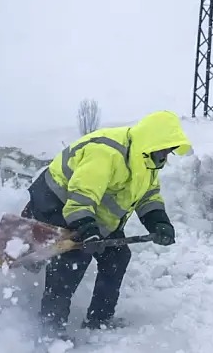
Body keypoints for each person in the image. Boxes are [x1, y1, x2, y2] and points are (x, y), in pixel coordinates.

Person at [21, 110, 192, 337]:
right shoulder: (106, 152)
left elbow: (148, 196)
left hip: (92, 213)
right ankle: (50, 330)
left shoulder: (146, 160)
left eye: (169, 152)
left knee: (117, 255)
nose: (166, 156)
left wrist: (159, 223)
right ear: (152, 142)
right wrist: (87, 231)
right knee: (74, 257)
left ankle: (99, 320)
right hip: (55, 201)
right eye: (165, 150)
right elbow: (81, 197)